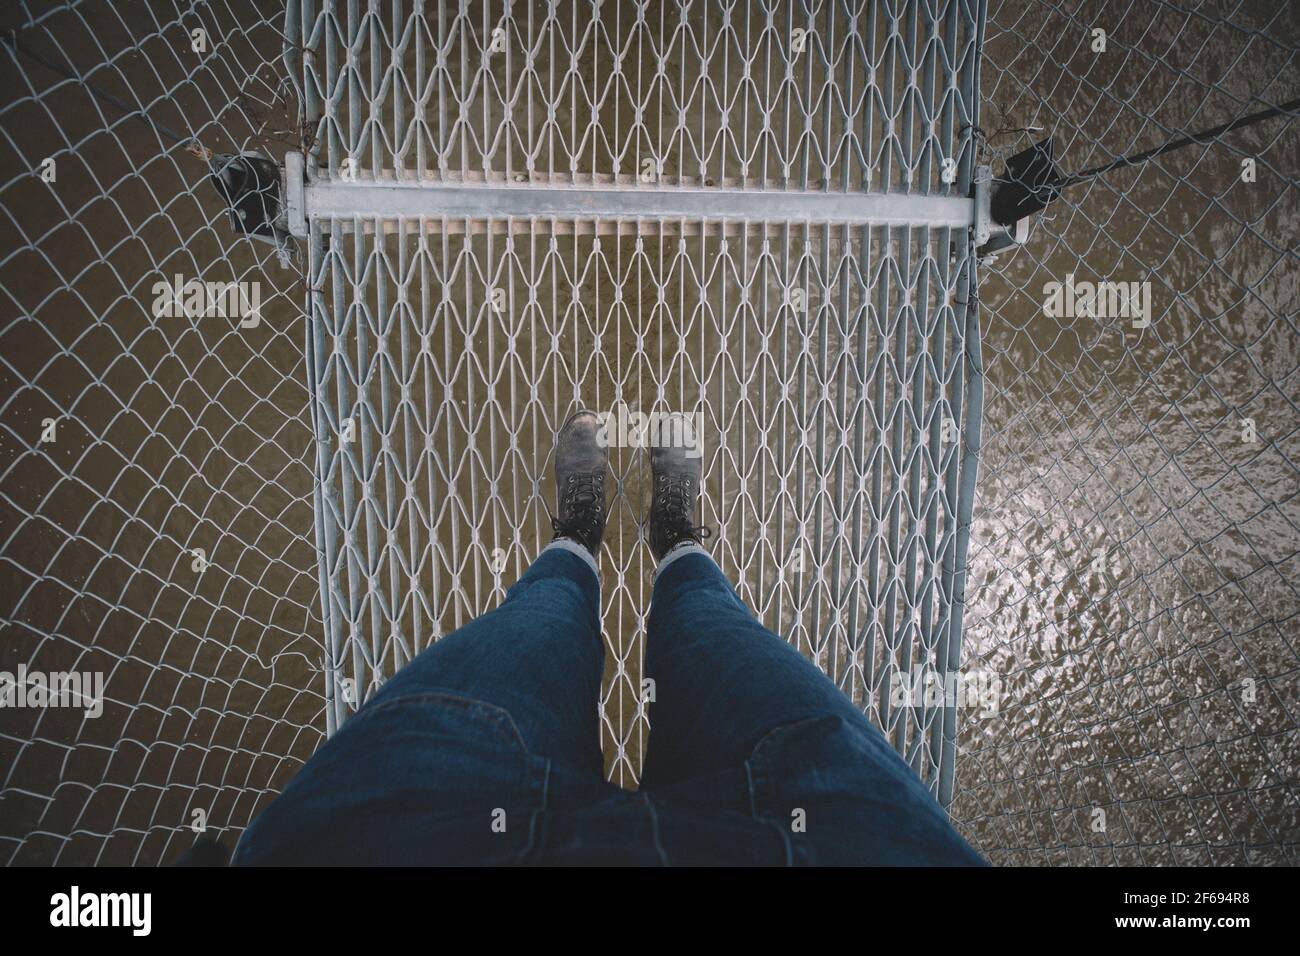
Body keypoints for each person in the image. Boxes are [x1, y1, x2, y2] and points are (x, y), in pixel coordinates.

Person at [233, 411, 984, 865]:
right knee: (706, 622)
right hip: (829, 836)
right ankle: (675, 537)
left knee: (546, 615)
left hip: (429, 825)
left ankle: (579, 537)